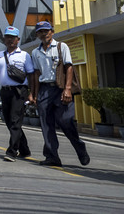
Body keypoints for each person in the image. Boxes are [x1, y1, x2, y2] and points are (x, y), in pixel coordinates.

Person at [30, 21, 90, 167]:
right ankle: (52, 156)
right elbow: (37, 74)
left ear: (52, 32)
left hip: (61, 88)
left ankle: (80, 149)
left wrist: (68, 88)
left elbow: (69, 67)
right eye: (40, 31)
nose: (44, 34)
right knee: (46, 125)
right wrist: (34, 94)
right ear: (37, 34)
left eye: (46, 31)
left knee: (65, 121)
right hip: (44, 89)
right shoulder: (35, 52)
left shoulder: (61, 46)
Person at [0, 26, 34, 162]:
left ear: (18, 40)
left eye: (12, 38)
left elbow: (31, 75)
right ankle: (25, 149)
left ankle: (12, 151)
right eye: (7, 37)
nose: (9, 40)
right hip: (5, 91)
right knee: (9, 121)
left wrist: (31, 93)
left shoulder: (24, 55)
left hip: (19, 91)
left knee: (15, 120)